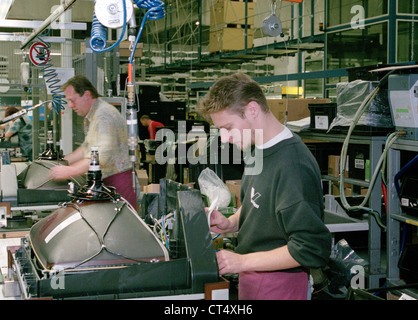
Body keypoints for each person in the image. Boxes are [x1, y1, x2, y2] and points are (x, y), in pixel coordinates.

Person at [196, 73, 332, 300]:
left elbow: (310, 247)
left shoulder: (293, 165)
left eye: (227, 127)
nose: (223, 138)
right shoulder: (256, 149)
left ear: (252, 110)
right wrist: (230, 223)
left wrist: (241, 261)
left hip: (280, 283)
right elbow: (256, 199)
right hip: (251, 275)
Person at [49, 75, 136, 208]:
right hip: (106, 181)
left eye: (73, 100)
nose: (70, 105)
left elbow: (101, 156)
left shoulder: (103, 115)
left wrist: (69, 171)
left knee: (121, 225)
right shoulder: (94, 114)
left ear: (87, 95)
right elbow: (87, 148)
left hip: (117, 183)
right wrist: (65, 161)